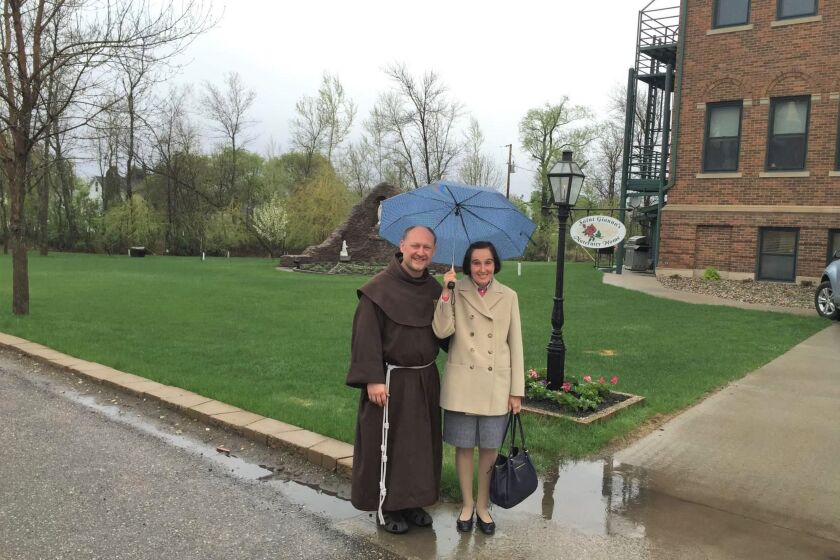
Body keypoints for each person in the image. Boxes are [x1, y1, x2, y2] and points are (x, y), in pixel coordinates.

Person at [346, 225, 443, 534]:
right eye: (415, 245)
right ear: (402, 245)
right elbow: (365, 338)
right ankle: (386, 507)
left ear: (433, 251)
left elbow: (446, 334)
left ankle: (412, 501)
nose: (420, 252)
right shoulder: (378, 289)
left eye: (427, 247)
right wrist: (372, 379)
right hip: (390, 381)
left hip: (424, 379)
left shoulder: (435, 291)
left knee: (417, 446)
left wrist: (451, 300)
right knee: (388, 444)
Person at [432, 241, 524, 536]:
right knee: (463, 448)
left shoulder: (509, 296)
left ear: (495, 264)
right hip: (462, 383)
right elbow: (441, 331)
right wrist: (446, 292)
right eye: (475, 263)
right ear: (467, 265)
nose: (482, 269)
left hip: (495, 384)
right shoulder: (455, 290)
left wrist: (516, 391)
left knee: (488, 449)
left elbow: (516, 346)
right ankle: (467, 504)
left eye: (487, 262)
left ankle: (483, 505)